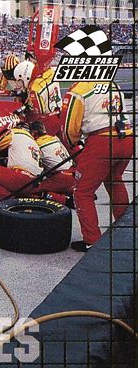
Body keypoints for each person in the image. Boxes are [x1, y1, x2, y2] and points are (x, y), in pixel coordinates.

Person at [60, 81, 133, 252]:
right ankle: (124, 232)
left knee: (82, 191)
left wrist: (74, 144)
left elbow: (69, 130)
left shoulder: (77, 90)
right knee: (115, 180)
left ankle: (92, 240)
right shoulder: (112, 83)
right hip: (126, 137)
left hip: (102, 141)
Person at [0, 126, 42, 200]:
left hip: (20, 178)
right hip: (35, 183)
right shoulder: (34, 141)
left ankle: (8, 200)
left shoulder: (14, 132)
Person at [28, 120, 75, 205]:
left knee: (31, 190)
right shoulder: (54, 138)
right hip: (72, 173)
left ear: (34, 132)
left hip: (60, 177)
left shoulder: (37, 144)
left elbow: (34, 165)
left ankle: (65, 201)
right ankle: (74, 191)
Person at [12, 60, 63, 134]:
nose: (18, 84)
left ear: (26, 77)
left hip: (48, 125)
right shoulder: (51, 73)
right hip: (60, 115)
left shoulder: (34, 90)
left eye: (19, 81)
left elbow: (37, 115)